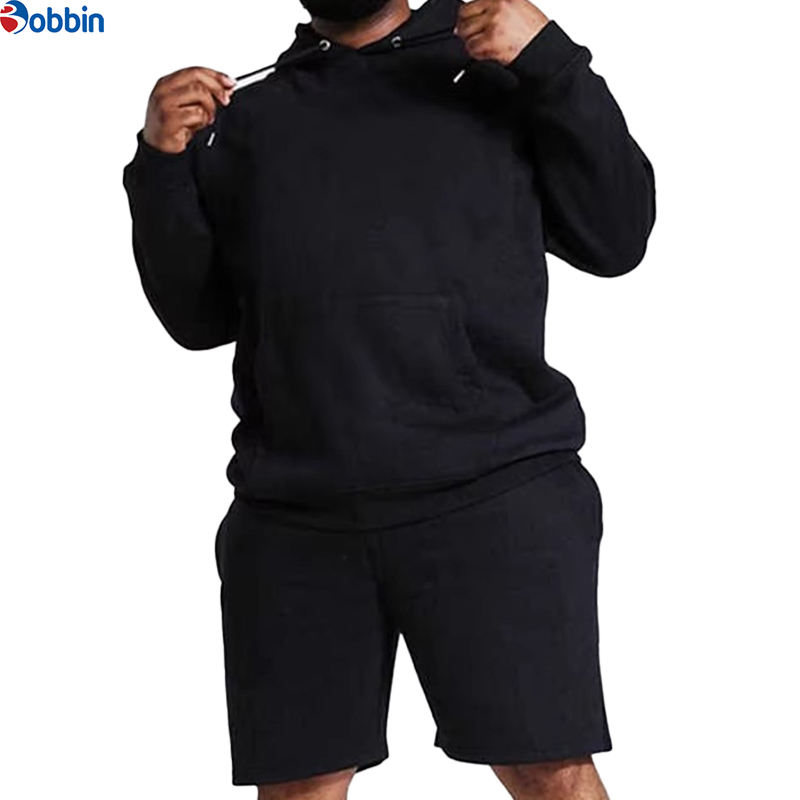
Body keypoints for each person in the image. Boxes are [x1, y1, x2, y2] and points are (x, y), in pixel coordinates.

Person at [122, 0, 656, 796]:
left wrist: (553, 61)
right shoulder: (251, 117)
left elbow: (618, 238)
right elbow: (198, 320)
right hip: (295, 515)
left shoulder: (497, 75)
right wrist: (162, 166)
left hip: (495, 493)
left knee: (550, 773)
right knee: (298, 789)